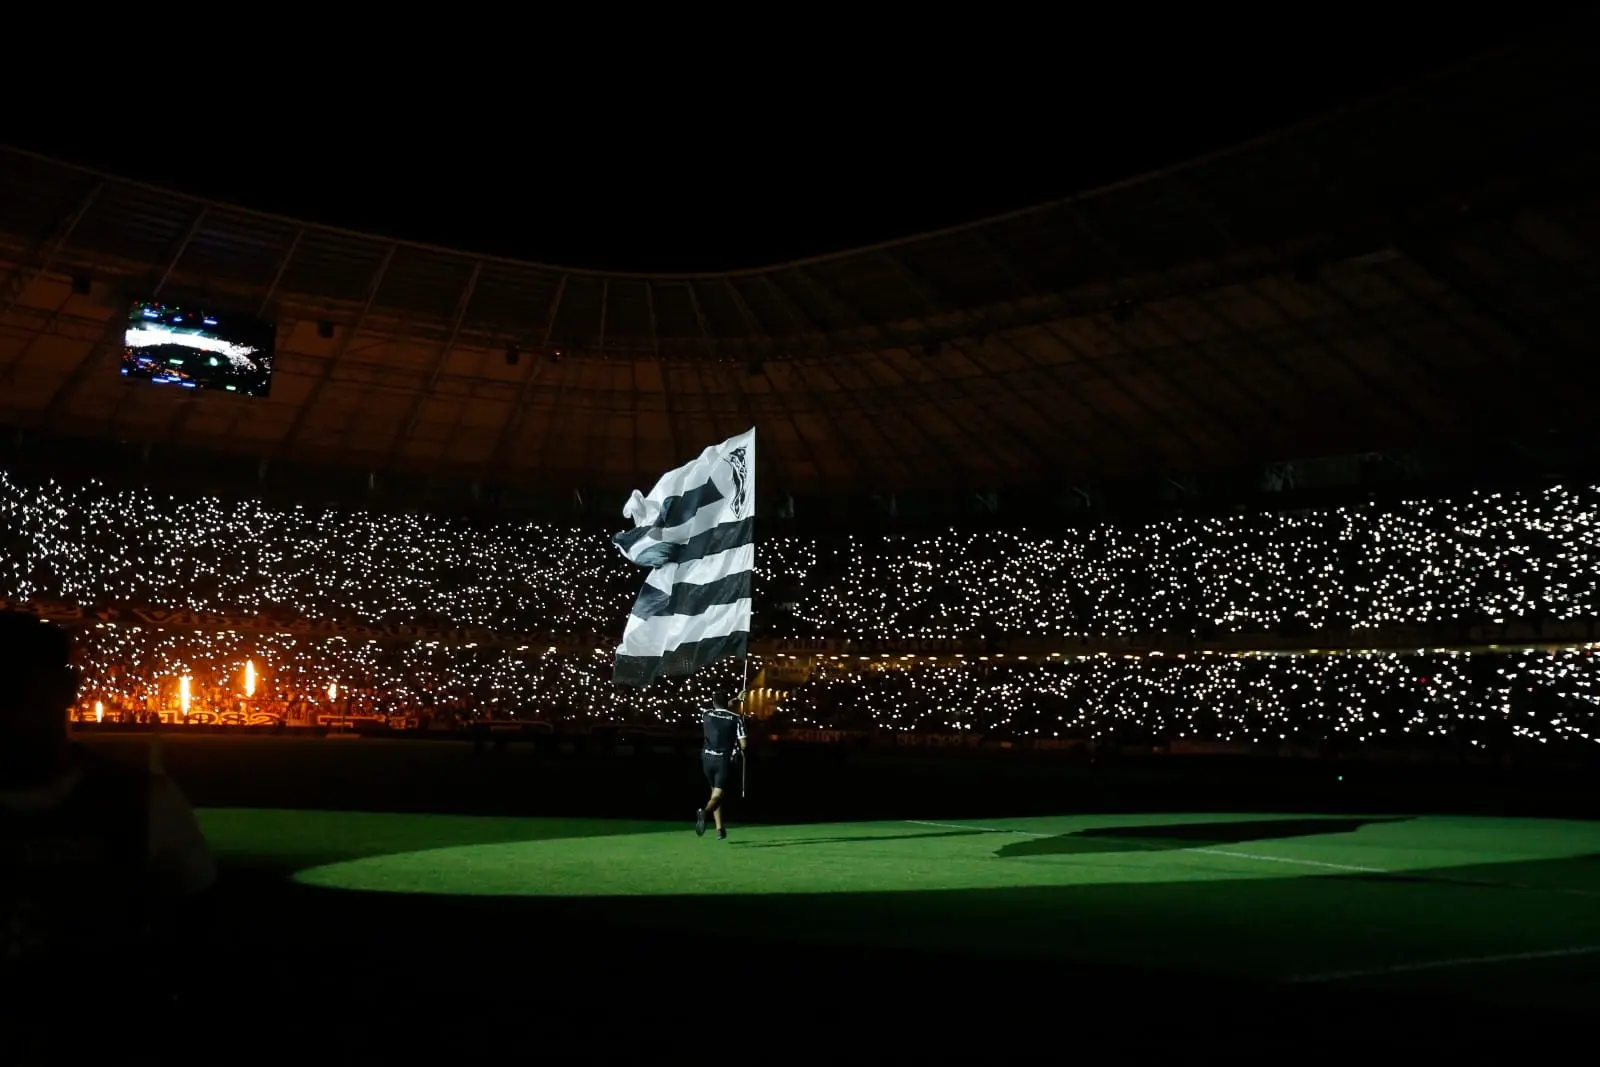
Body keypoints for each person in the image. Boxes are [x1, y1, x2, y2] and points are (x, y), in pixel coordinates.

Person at [0, 612, 216, 1044]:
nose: (9, 714)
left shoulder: (145, 801)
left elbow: (200, 937)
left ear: (64, 692)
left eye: (18, 692)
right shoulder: (143, 800)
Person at [695, 689, 747, 840]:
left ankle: (719, 829)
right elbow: (744, 744)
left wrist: (736, 699)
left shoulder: (706, 714)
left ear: (713, 702)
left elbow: (722, 709)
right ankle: (705, 812)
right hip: (722, 761)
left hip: (706, 759)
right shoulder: (737, 719)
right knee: (718, 794)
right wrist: (739, 750)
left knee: (714, 792)